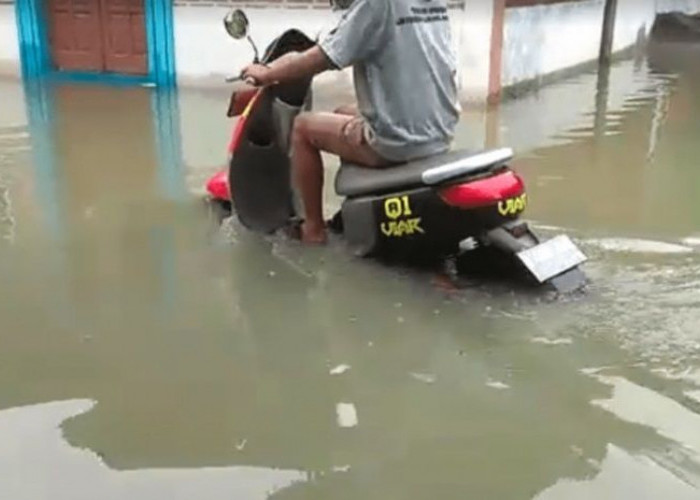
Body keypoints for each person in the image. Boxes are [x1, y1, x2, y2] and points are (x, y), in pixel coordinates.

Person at [242, 0, 459, 244]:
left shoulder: (376, 4)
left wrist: (268, 73)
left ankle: (313, 231)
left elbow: (324, 57)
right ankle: (361, 211)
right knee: (341, 112)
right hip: (440, 130)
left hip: (397, 140)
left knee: (303, 127)